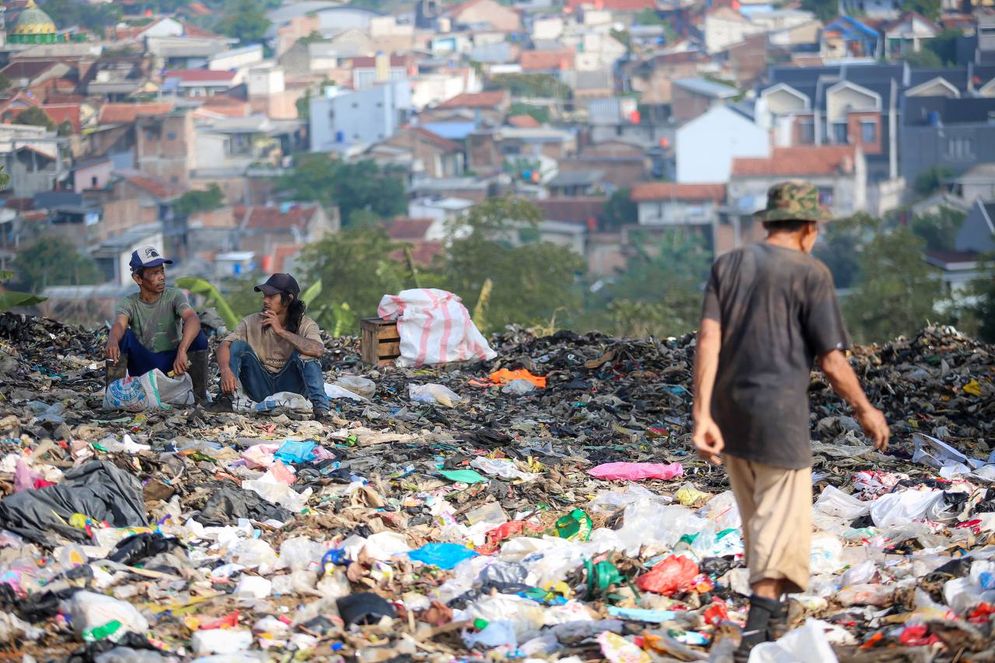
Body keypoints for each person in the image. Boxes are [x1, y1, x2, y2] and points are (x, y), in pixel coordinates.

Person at [691, 181, 890, 660]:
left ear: (768, 223)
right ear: (808, 228)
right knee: (781, 525)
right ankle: (757, 631)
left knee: (759, 521)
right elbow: (833, 362)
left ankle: (774, 623)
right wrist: (865, 409)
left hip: (729, 415)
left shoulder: (728, 265)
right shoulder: (811, 273)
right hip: (779, 417)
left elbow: (707, 341)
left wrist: (702, 414)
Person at [216, 273, 330, 420]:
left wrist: (280, 331)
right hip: (259, 385)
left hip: (292, 387)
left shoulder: (306, 324)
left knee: (307, 353)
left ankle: (321, 410)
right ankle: (225, 400)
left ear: (288, 299)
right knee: (237, 346)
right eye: (264, 296)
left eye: (271, 296)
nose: (265, 300)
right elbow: (223, 345)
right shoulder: (251, 322)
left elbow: (318, 350)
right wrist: (225, 370)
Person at [106, 246, 210, 403]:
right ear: (138, 278)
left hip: (173, 363)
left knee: (199, 337)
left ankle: (200, 397)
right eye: (155, 273)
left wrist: (182, 350)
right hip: (144, 364)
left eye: (162, 271)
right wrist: (112, 340)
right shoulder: (129, 302)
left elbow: (192, 318)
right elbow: (119, 325)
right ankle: (114, 397)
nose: (161, 277)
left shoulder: (174, 296)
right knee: (122, 337)